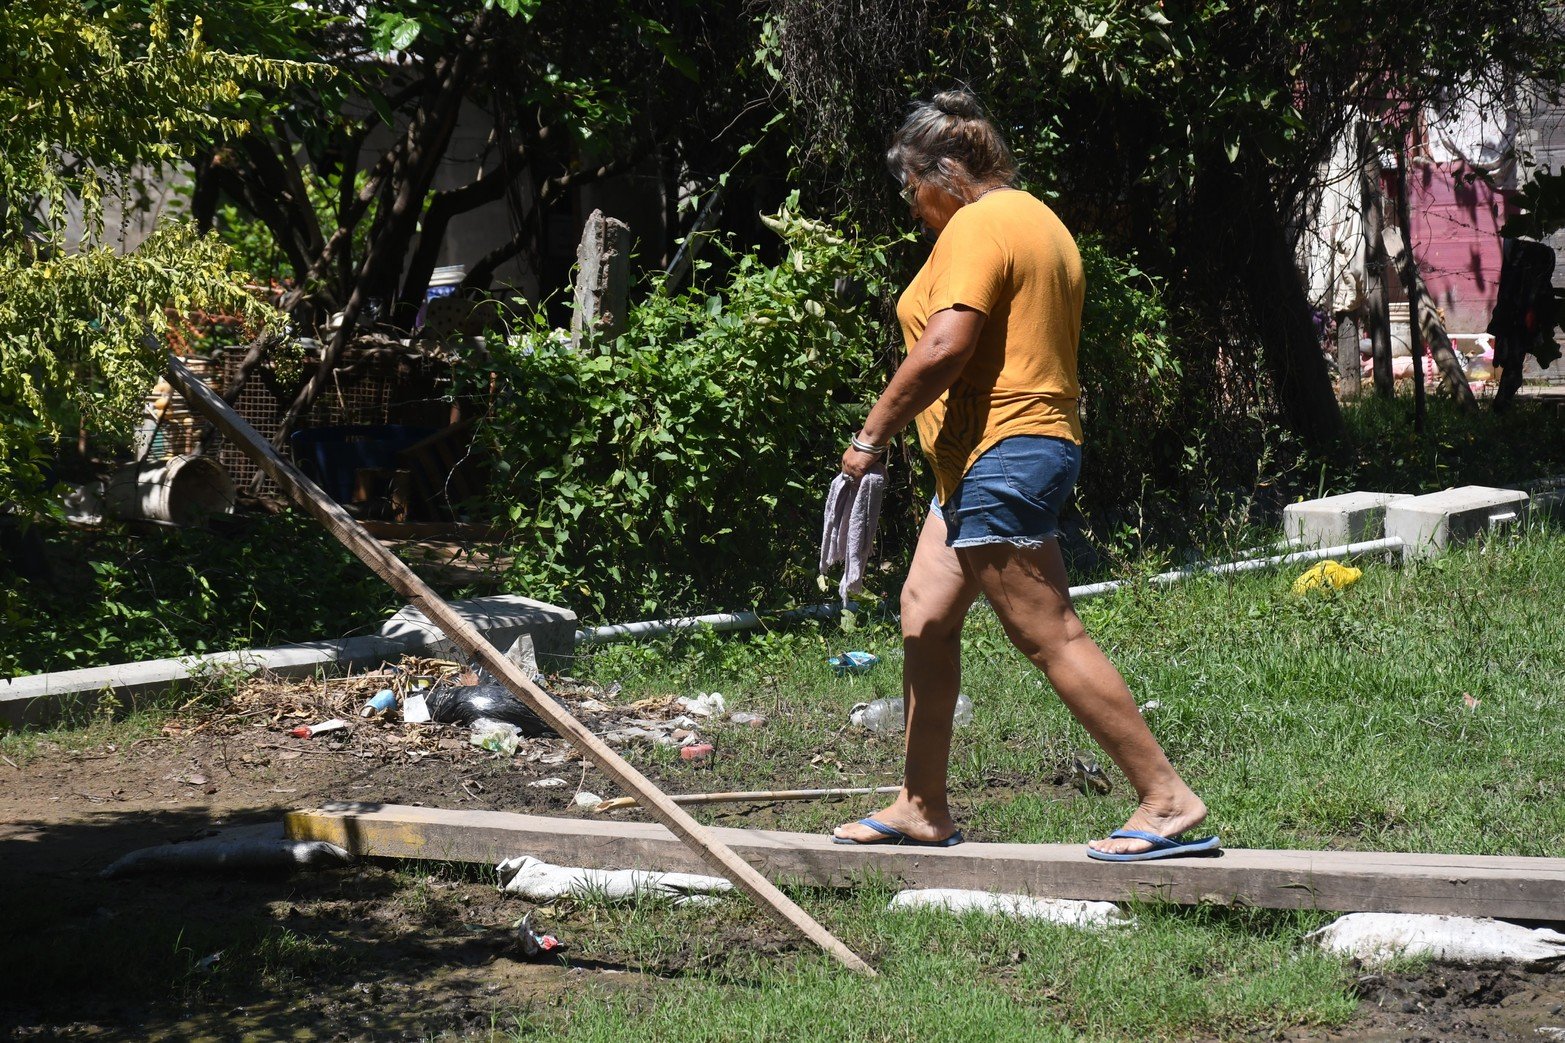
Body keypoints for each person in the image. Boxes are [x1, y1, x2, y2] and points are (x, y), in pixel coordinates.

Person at [831, 90, 1216, 861]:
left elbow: (945, 345)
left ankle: (1166, 797)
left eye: (913, 189)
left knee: (1045, 628)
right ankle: (919, 803)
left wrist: (871, 435)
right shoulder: (1036, 217)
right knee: (924, 614)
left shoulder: (979, 223)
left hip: (1003, 449)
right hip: (982, 458)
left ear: (944, 172)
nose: (913, 208)